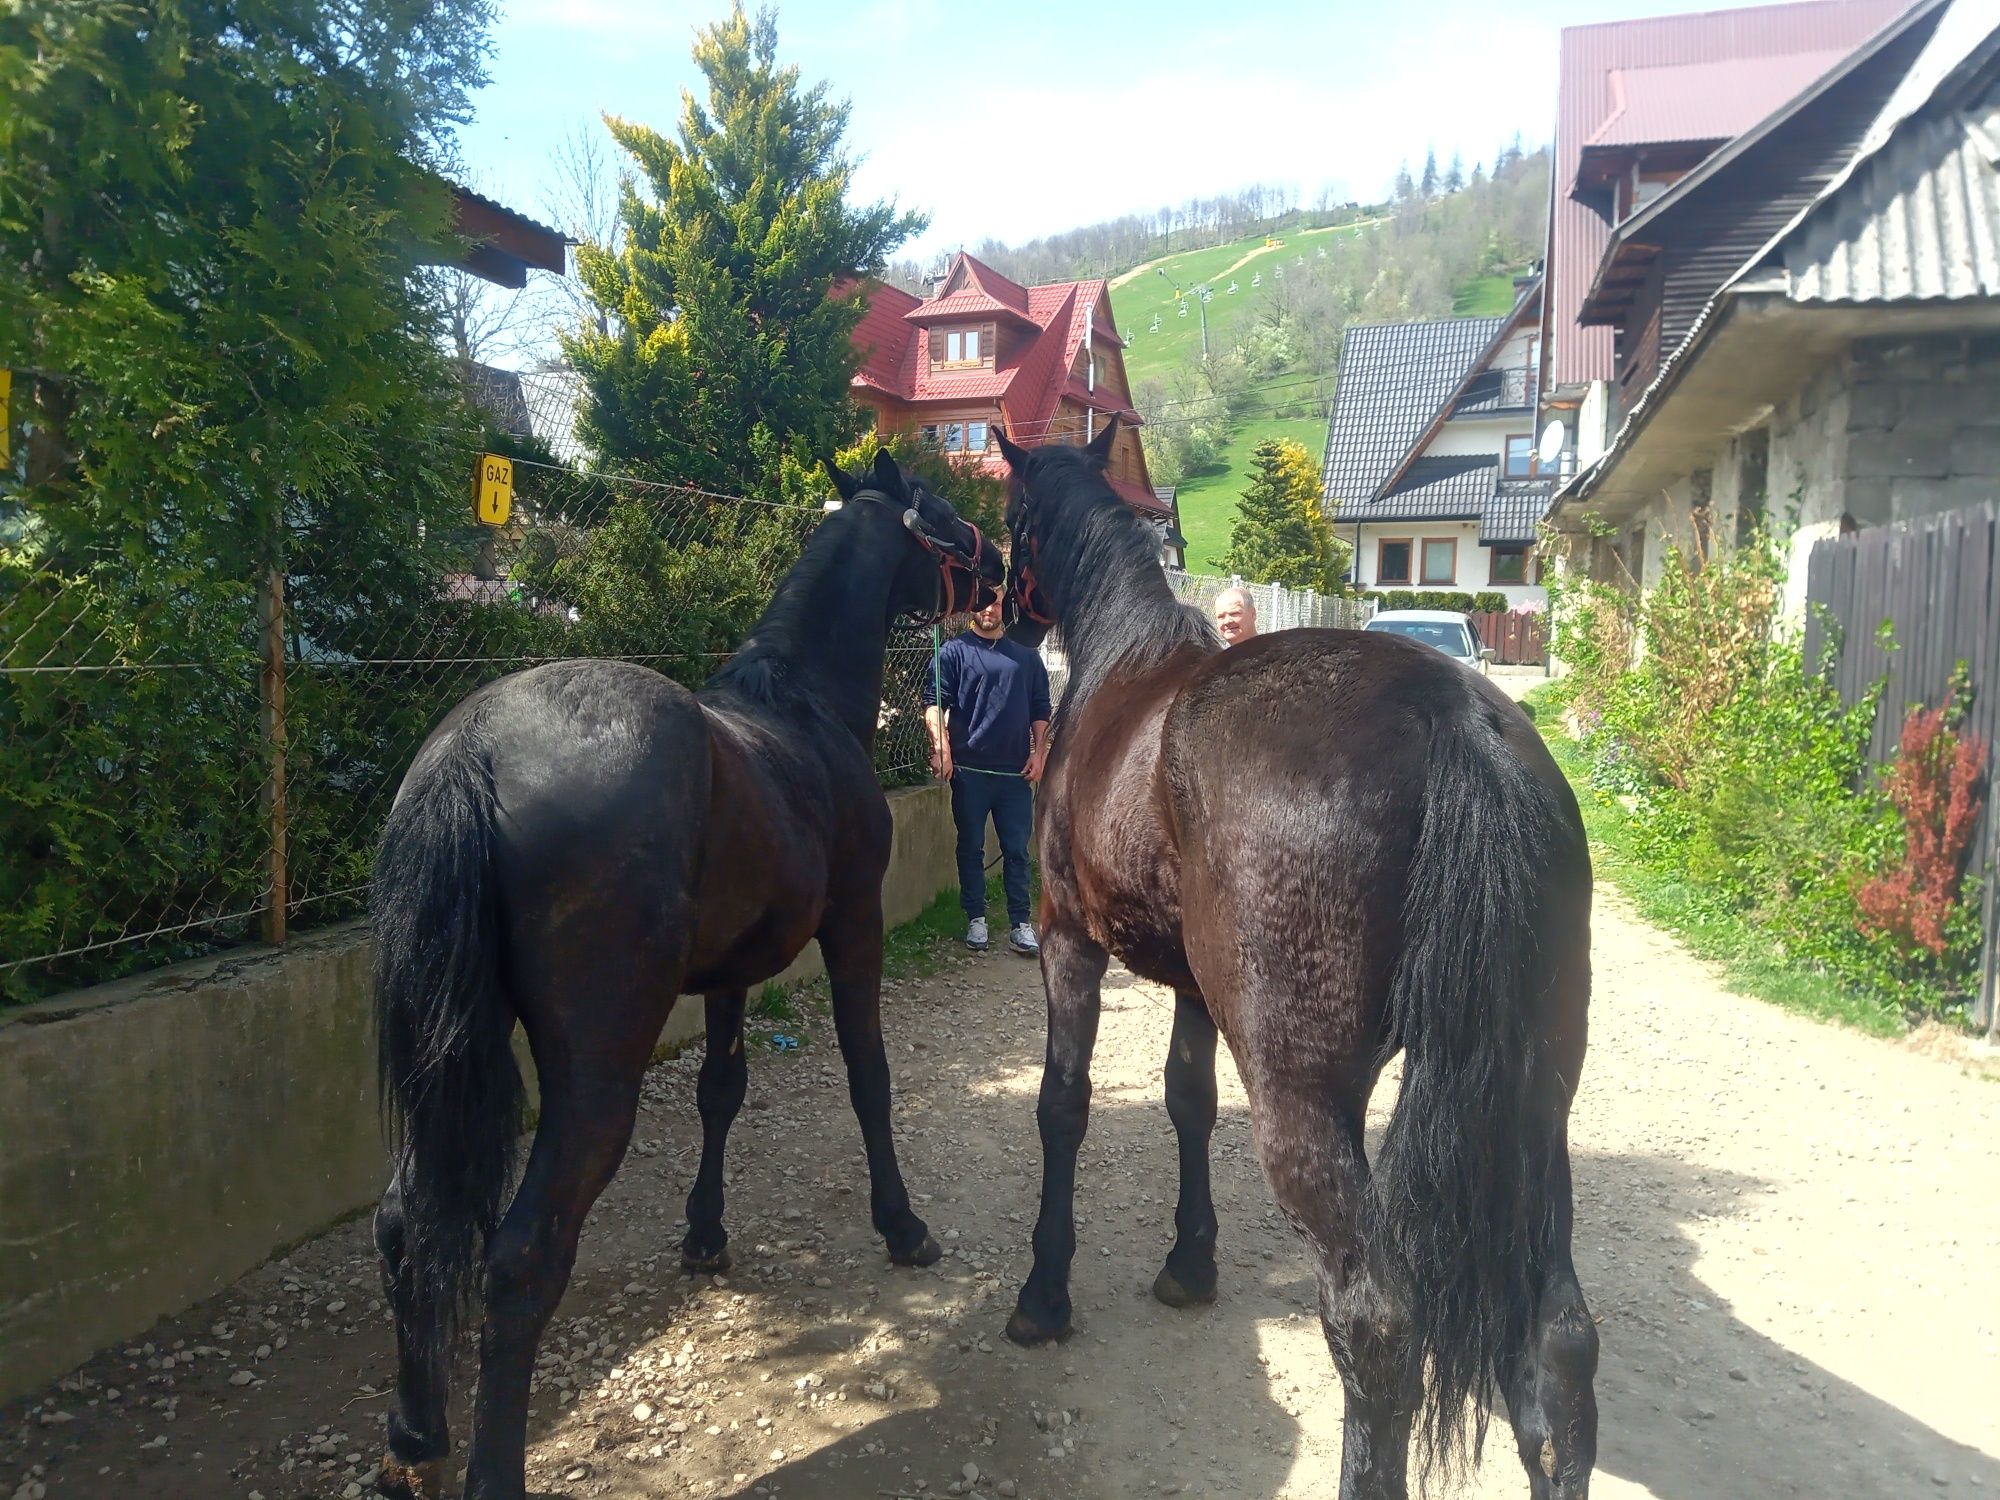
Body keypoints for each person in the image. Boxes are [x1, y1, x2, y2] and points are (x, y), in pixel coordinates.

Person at [922, 596, 1050, 955]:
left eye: (996, 604)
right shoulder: (952, 652)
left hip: (1015, 774)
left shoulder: (1026, 658)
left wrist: (1039, 753)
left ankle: (1020, 924)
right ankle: (975, 918)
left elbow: (1041, 707)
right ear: (972, 609)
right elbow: (933, 702)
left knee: (1017, 851)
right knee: (970, 847)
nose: (989, 611)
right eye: (983, 604)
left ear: (1004, 609)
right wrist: (941, 749)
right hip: (969, 772)